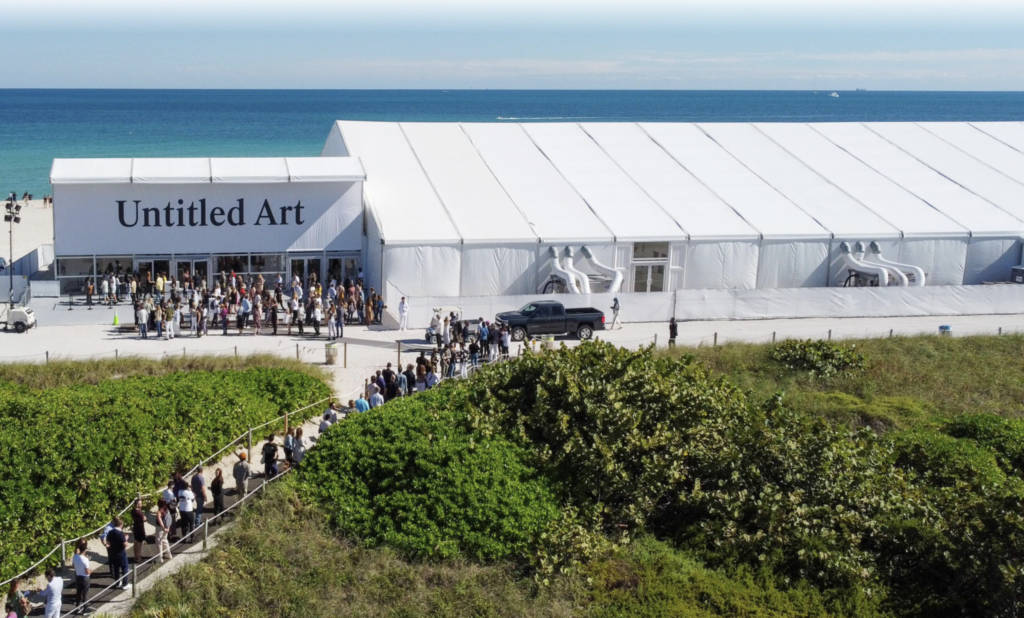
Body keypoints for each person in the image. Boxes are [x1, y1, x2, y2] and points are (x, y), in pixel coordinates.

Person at [106, 517, 130, 589]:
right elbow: (125, 544)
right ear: (121, 524)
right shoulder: (120, 533)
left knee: (116, 569)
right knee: (124, 568)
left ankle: (117, 583)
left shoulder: (110, 532)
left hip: (113, 553)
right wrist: (126, 539)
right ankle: (125, 583)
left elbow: (108, 543)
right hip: (121, 553)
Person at [72, 540, 92, 613]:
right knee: (85, 593)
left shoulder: (75, 556)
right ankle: (85, 609)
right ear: (85, 550)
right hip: (85, 578)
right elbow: (87, 571)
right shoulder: (85, 559)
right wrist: (91, 571)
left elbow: (73, 565)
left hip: (78, 576)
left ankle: (77, 607)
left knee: (78, 592)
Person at [155, 498, 173, 563]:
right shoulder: (167, 510)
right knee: (165, 541)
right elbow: (169, 519)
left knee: (159, 542)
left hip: (160, 529)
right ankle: (169, 554)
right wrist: (168, 528)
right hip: (166, 527)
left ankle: (160, 558)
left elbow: (160, 522)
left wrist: (163, 528)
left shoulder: (159, 512)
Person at [131, 498, 147, 564]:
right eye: (140, 503)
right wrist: (145, 517)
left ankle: (136, 556)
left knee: (136, 542)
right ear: (137, 504)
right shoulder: (139, 512)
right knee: (139, 544)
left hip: (135, 527)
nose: (141, 504)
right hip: (140, 529)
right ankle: (138, 558)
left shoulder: (133, 511)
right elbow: (144, 519)